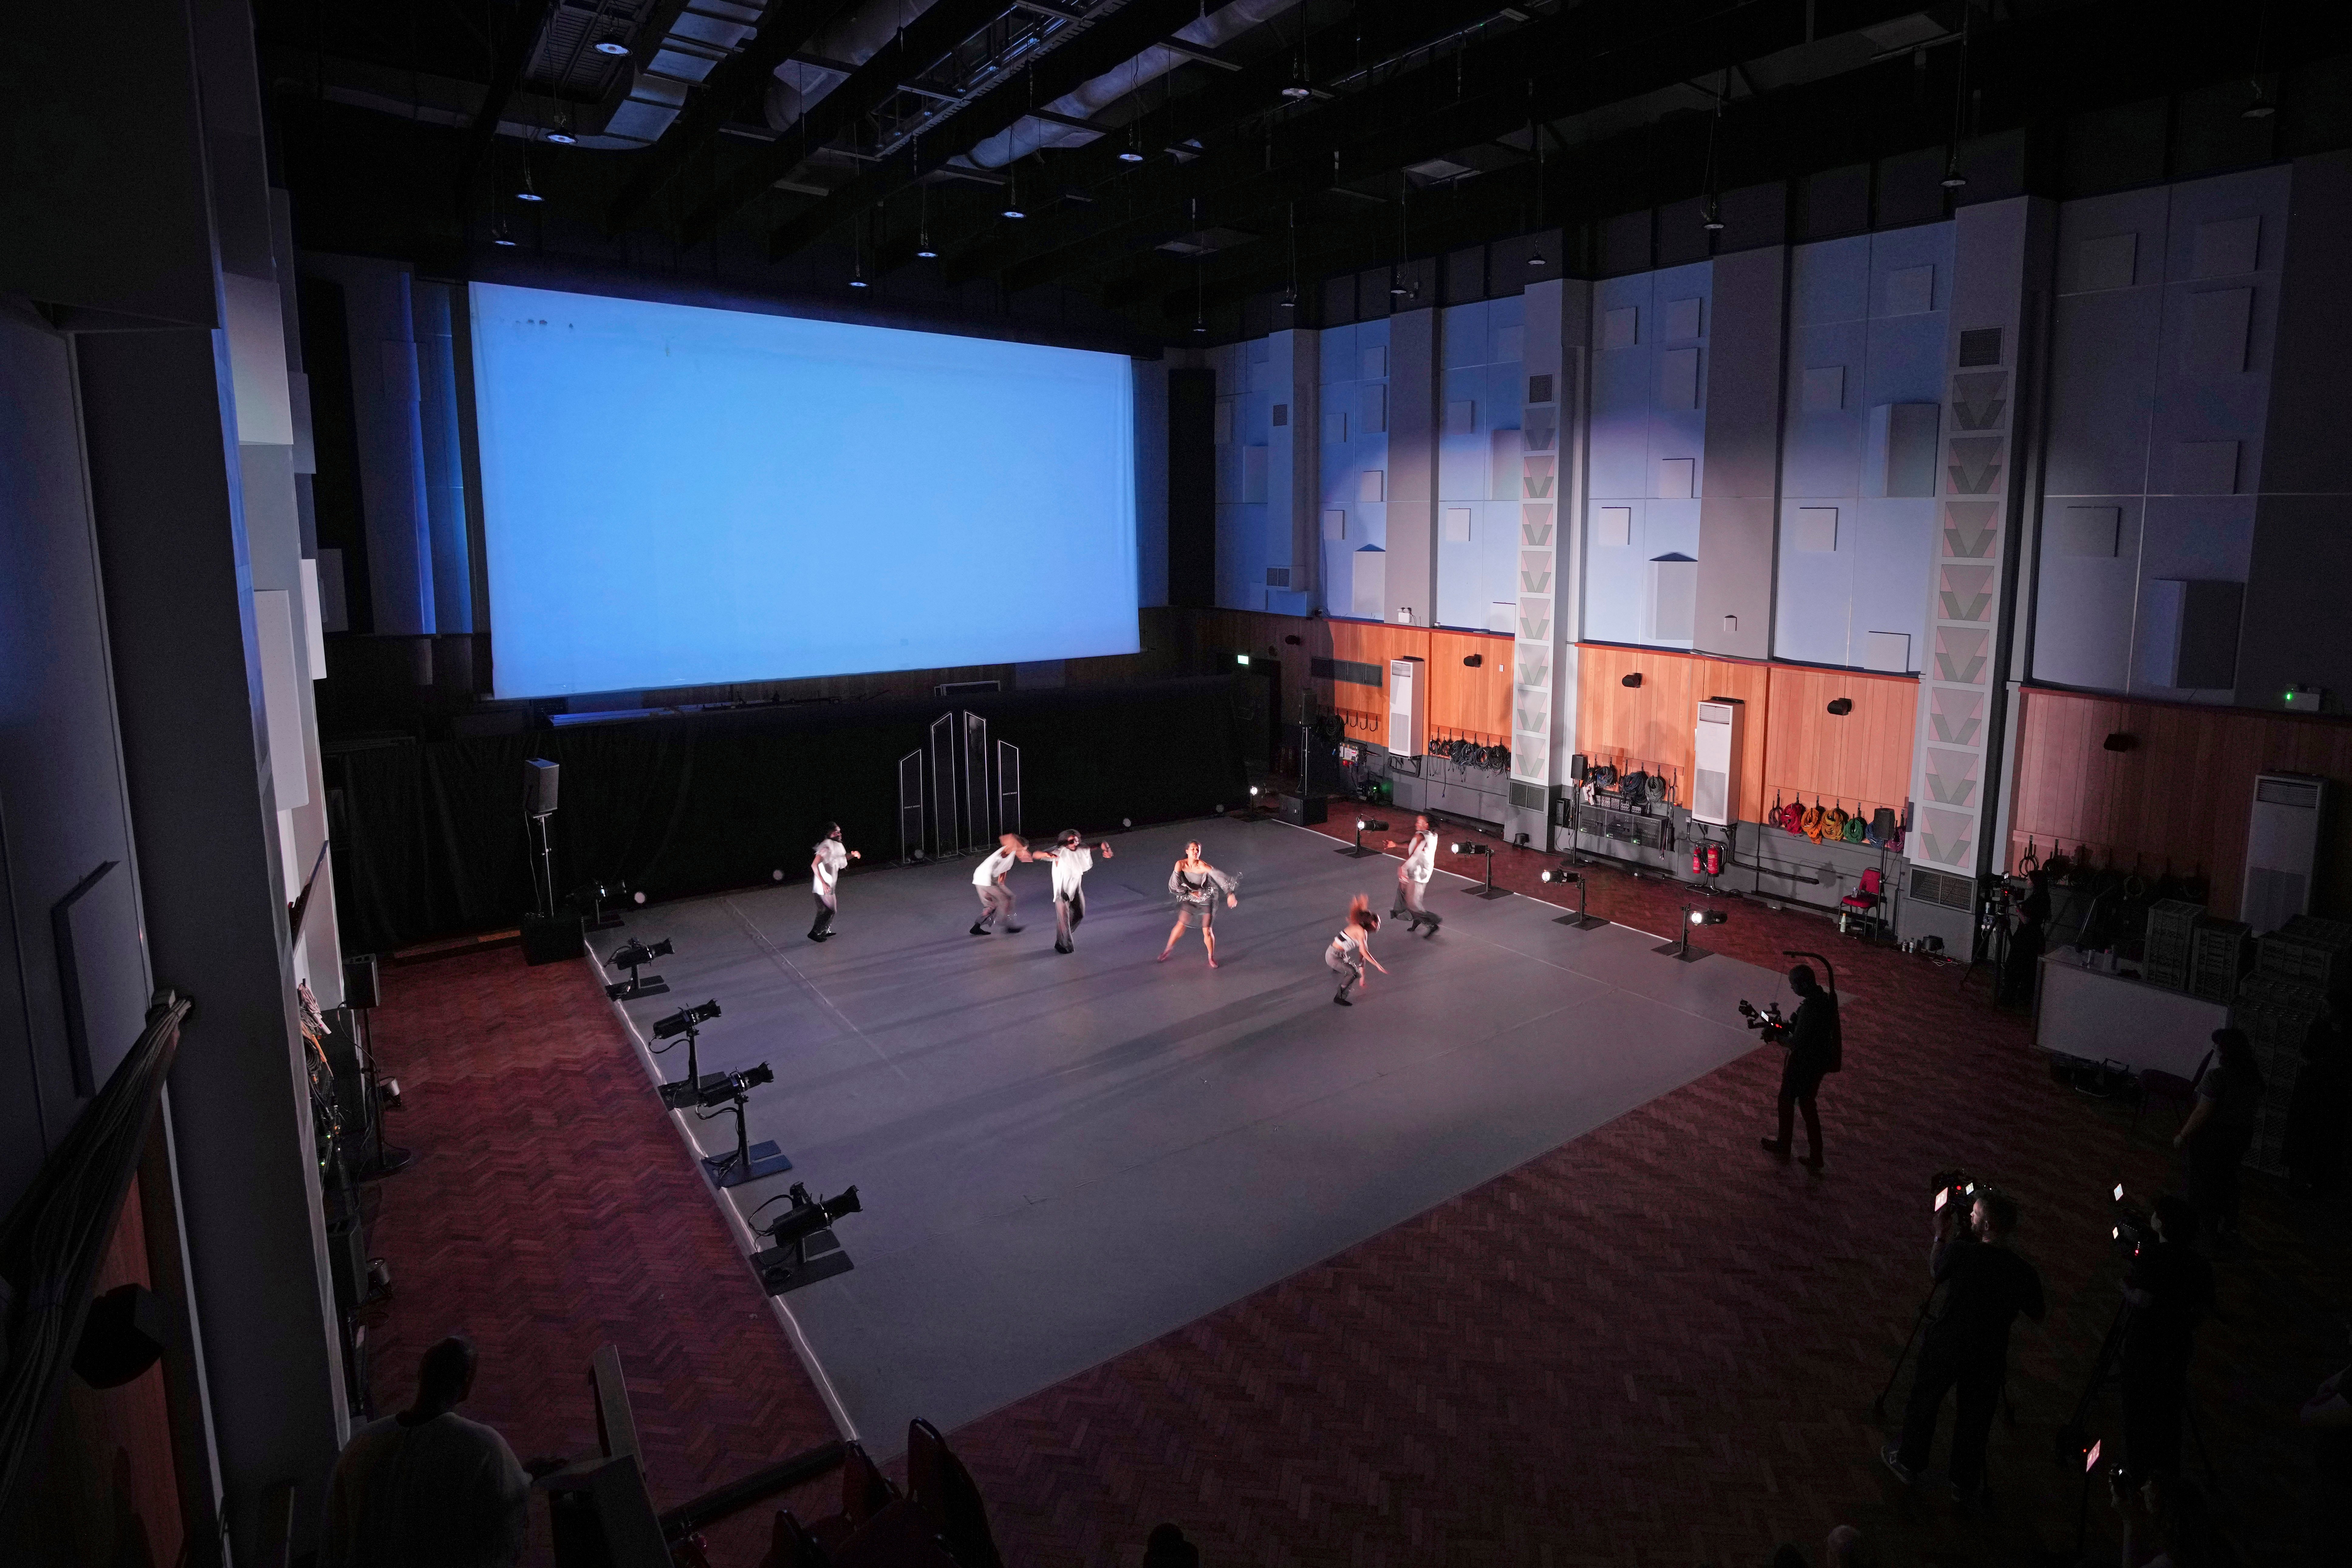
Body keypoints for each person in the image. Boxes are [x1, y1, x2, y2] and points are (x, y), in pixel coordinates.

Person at [1885, 1189, 2046, 1503]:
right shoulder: (2021, 1271)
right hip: (1989, 1354)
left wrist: (1939, 1236)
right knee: (1975, 1419)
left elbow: (1936, 1272)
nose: (1969, 1215)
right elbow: (2038, 1313)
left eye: (1975, 1213)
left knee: (1924, 1403)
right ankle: (1964, 1483)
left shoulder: (1962, 1252)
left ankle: (1909, 1462)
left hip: (1947, 1343)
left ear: (1987, 1226)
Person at [322, 1336, 533, 1568]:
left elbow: (336, 1531)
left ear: (420, 1371)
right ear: (466, 1386)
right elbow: (507, 1510)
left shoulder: (362, 1442)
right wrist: (528, 1476)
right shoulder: (486, 1448)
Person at [2119, 1195, 2216, 1488]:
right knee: (2169, 1409)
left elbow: (2142, 1300)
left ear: (2160, 1223)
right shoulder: (2200, 1265)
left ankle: (2137, 1471)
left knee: (2137, 1409)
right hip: (2177, 1346)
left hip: (2145, 1345)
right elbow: (2203, 1309)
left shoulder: (2152, 1257)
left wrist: (2124, 1286)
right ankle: (2166, 1475)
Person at [2176, 1028, 2264, 1247]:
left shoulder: (2217, 1077)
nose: (2214, 1048)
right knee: (2228, 1181)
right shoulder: (2254, 1076)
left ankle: (2206, 1232)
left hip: (2214, 1139)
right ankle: (2229, 1228)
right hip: (2240, 1137)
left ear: (2225, 1050)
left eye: (2218, 1045)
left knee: (2204, 1185)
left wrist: (2183, 1135)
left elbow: (2202, 1112)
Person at [1759, 964, 1839, 1169]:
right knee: (1807, 1104)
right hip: (1817, 1062)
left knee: (1789, 1100)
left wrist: (1776, 1036)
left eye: (1793, 984)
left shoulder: (1812, 1008)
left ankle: (1784, 1144)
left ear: (1804, 983)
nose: (1792, 988)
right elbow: (1797, 1028)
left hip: (1806, 1063)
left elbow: (1798, 1043)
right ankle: (1815, 1155)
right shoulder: (1819, 1001)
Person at [2285, 990, 2348, 1199]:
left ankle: (2313, 1182)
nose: (2323, 1011)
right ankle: (2300, 1181)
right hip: (2313, 1093)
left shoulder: (2337, 1035)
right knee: (2304, 1135)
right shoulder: (2320, 1028)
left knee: (2319, 1138)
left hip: (2327, 1097)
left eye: (2328, 1007)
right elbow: (2307, 1056)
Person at [1159, 841, 1239, 966]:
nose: (1196, 852)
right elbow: (1174, 885)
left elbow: (1219, 877)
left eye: (1198, 850)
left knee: (1207, 930)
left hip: (1206, 897)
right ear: (1187, 851)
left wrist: (1229, 894)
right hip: (1190, 896)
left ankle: (1211, 957)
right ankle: (1167, 950)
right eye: (1193, 849)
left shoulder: (1203, 867)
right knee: (1181, 925)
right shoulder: (1180, 864)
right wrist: (1190, 893)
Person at [1041, 828, 1113, 955]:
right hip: (1062, 891)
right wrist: (1046, 855)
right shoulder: (1059, 851)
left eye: (1077, 839)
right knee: (1064, 919)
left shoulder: (1082, 848)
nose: (1075, 842)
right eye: (1071, 840)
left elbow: (1101, 842)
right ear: (1065, 842)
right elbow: (1037, 854)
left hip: (1076, 888)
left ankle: (1063, 937)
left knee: (1080, 914)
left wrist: (1107, 849)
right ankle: (1064, 945)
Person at [1384, 815, 1441, 935]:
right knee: (1404, 896)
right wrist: (1396, 845)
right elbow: (1411, 844)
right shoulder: (1431, 835)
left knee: (1412, 904)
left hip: (1417, 874)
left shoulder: (1421, 836)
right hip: (1419, 872)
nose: (1416, 824)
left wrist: (1403, 868)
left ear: (1427, 825)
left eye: (1419, 822)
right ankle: (1416, 919)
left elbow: (1415, 854)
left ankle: (1433, 922)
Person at [1327, 896, 1388, 1005]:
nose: (1379, 926)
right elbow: (1364, 952)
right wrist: (1377, 965)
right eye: (1378, 923)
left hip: (1340, 954)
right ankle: (1339, 997)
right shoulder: (1360, 931)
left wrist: (1363, 975)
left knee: (1355, 971)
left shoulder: (1363, 932)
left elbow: (1363, 953)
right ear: (1373, 924)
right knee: (1353, 973)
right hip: (1333, 956)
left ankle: (1337, 967)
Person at [970, 833, 1030, 936]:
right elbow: (1004, 842)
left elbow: (1004, 869)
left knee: (995, 904)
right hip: (985, 879)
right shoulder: (1007, 851)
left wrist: (1002, 881)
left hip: (986, 878)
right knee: (1006, 899)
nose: (1023, 853)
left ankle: (977, 927)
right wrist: (1014, 843)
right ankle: (1004, 922)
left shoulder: (1011, 854)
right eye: (1022, 850)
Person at [808, 822, 858, 942]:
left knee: (823, 910)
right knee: (831, 910)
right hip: (824, 886)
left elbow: (840, 858)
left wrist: (852, 855)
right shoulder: (826, 846)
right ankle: (815, 932)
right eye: (837, 832)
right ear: (830, 834)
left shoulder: (836, 845)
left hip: (826, 885)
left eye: (840, 831)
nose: (840, 834)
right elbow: (814, 865)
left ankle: (824, 930)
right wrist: (824, 883)